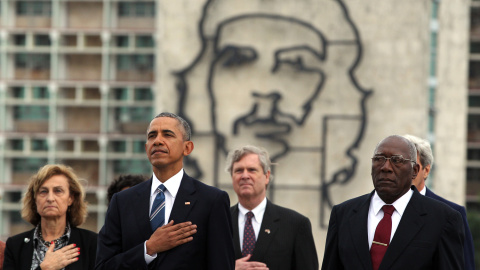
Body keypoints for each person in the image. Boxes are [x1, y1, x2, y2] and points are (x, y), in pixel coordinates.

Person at [95, 112, 235, 270]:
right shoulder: (122, 202)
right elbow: (103, 266)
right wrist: (148, 249)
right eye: (152, 136)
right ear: (146, 147)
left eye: (167, 135)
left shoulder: (211, 201)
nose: (158, 141)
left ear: (187, 147)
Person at [321, 135, 465, 270]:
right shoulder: (343, 215)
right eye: (379, 159)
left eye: (396, 160)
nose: (386, 167)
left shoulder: (443, 220)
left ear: (415, 171)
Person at [226, 145, 318, 270]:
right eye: (239, 170)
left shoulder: (296, 224)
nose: (245, 176)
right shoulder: (218, 221)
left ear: (267, 176)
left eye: (252, 170)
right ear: (232, 177)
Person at [3, 164, 97, 270]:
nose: (50, 198)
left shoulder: (92, 243)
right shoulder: (15, 245)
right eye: (43, 191)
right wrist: (45, 268)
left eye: (58, 191)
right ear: (35, 199)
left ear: (70, 198)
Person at [403, 134, 475, 270]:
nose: (404, 171)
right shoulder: (374, 209)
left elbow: (465, 265)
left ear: (426, 170)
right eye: (399, 163)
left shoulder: (452, 214)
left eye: (413, 166)